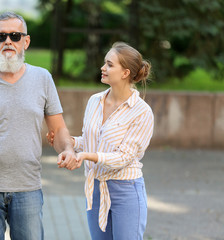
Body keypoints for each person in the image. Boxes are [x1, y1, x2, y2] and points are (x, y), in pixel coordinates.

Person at [0, 11, 76, 240]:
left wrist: (68, 149)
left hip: (27, 187)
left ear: (26, 41)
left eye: (15, 35)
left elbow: (58, 129)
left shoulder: (43, 78)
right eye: (1, 37)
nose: (8, 41)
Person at [48, 42, 154, 239]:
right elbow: (90, 141)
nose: (103, 68)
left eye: (109, 64)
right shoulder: (95, 101)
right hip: (96, 189)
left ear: (125, 73)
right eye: (105, 63)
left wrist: (86, 156)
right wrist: (66, 142)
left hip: (126, 192)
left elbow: (124, 157)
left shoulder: (141, 112)